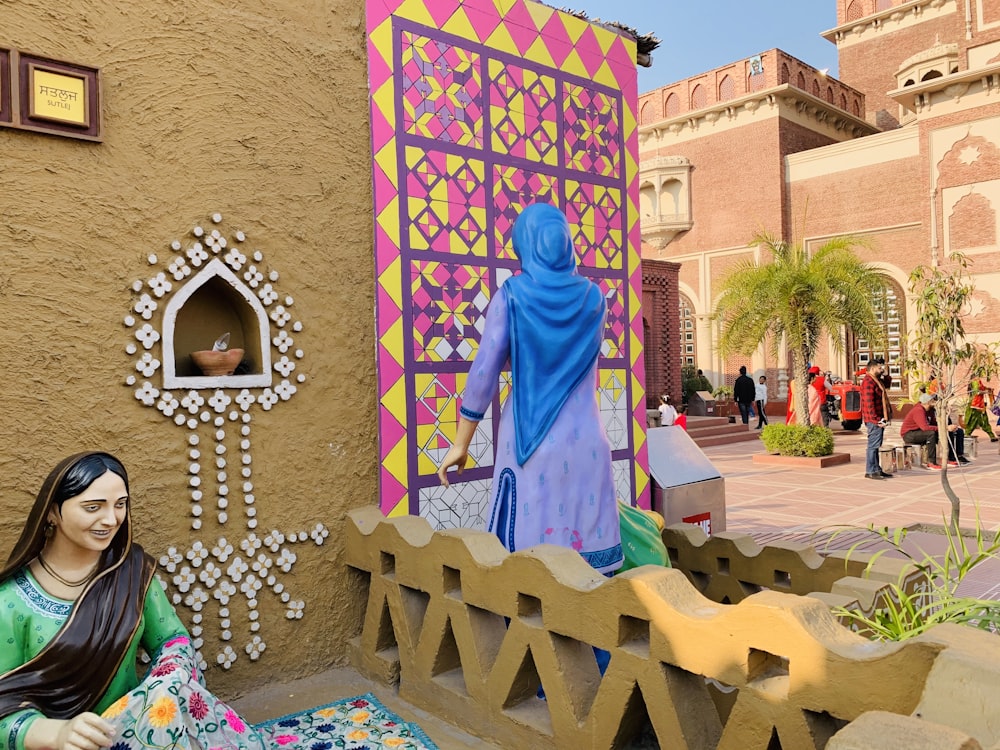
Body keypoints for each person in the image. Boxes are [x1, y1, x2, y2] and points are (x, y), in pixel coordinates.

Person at [0, 452, 264, 750]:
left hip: (137, 734)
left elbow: (171, 637)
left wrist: (167, 676)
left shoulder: (132, 572)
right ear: (52, 512)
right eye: (93, 507)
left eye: (120, 504)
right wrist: (56, 734)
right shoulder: (11, 601)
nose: (111, 519)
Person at [437, 204, 623, 575]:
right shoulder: (594, 299)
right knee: (589, 569)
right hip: (589, 442)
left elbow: (483, 374)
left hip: (531, 447)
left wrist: (461, 442)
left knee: (530, 569)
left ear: (525, 246)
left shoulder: (511, 295)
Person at [860, 357, 894, 480]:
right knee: (873, 446)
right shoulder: (868, 382)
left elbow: (888, 385)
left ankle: (877, 469)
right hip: (874, 419)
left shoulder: (876, 380)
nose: (882, 370)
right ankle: (870, 470)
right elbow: (869, 404)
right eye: (880, 368)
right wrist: (876, 420)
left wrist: (886, 374)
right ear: (873, 368)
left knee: (876, 444)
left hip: (880, 418)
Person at [900, 393, 942, 469]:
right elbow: (925, 428)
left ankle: (949, 457)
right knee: (931, 434)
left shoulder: (929, 410)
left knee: (937, 433)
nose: (933, 403)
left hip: (917, 431)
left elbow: (933, 423)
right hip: (908, 434)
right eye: (932, 402)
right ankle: (931, 462)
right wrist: (942, 428)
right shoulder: (918, 410)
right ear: (927, 402)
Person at [927, 398, 970, 465]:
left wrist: (951, 425)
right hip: (936, 429)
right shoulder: (930, 410)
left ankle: (959, 455)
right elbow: (931, 423)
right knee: (949, 433)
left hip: (943, 427)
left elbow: (948, 421)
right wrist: (945, 427)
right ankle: (951, 457)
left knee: (959, 431)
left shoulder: (944, 410)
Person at [965, 377, 998, 442]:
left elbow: (981, 388)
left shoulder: (978, 381)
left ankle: (992, 436)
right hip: (975, 405)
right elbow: (977, 392)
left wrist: (988, 389)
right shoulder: (975, 381)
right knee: (973, 421)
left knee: (984, 420)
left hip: (980, 405)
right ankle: (966, 435)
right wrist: (986, 392)